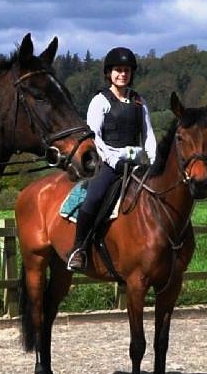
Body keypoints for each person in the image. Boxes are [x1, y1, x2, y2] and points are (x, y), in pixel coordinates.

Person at [66, 46, 157, 271]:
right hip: (108, 162)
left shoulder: (139, 102)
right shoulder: (100, 101)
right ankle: (79, 249)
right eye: (118, 70)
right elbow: (94, 136)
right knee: (94, 198)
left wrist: (155, 162)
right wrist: (112, 159)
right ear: (109, 73)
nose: (122, 74)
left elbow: (149, 136)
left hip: (136, 163)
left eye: (126, 70)